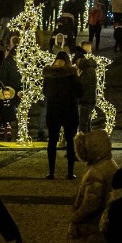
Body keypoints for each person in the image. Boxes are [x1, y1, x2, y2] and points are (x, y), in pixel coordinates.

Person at [69, 130, 119, 243]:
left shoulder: (96, 172)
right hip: (99, 231)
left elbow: (91, 204)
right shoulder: (109, 164)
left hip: (91, 232)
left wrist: (75, 217)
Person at [43, 51, 82, 179]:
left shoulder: (49, 75)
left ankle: (51, 172)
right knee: (70, 142)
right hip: (69, 111)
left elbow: (45, 92)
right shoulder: (71, 74)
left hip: (53, 111)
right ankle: (70, 172)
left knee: (52, 142)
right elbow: (80, 92)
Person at [77, 47, 98, 134]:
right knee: (86, 122)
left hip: (86, 100)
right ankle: (88, 140)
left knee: (84, 124)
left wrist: (77, 77)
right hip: (89, 99)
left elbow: (83, 85)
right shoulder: (90, 69)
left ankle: (85, 142)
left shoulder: (88, 71)